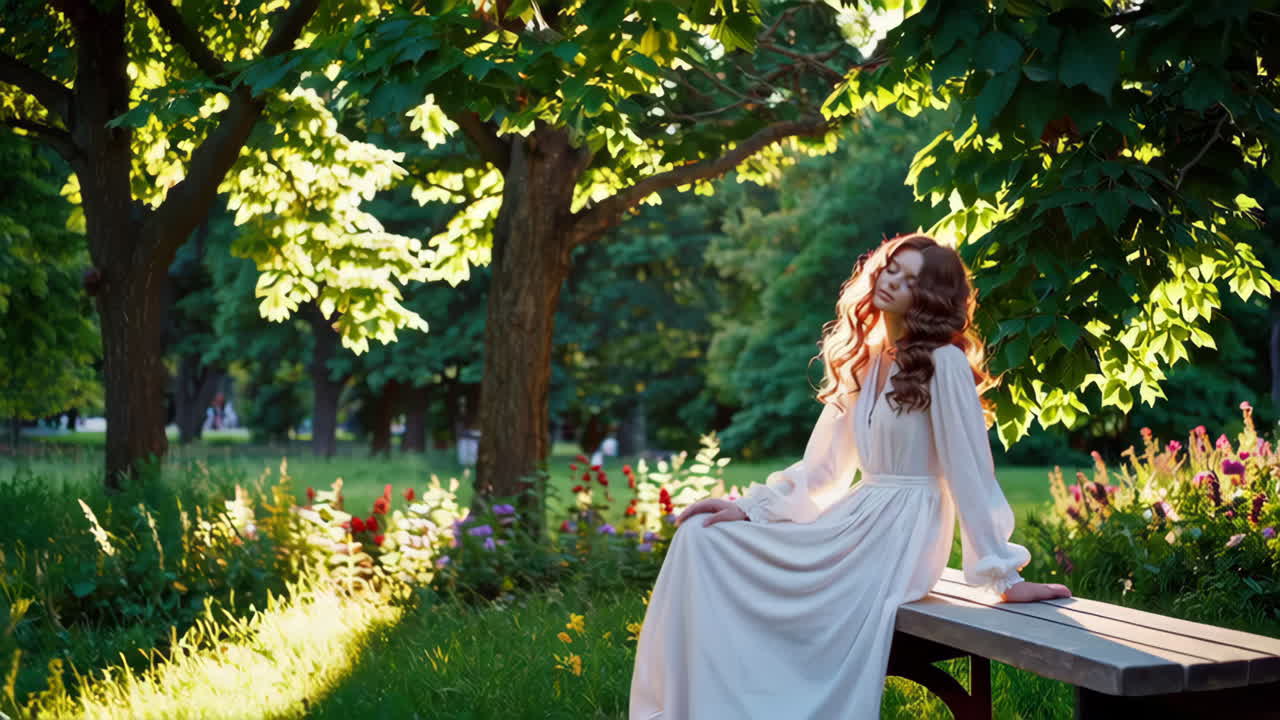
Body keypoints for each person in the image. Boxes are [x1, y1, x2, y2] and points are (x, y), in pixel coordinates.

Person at [628, 233, 1071, 719]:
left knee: (724, 552)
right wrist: (749, 509)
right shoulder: (866, 362)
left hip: (904, 534)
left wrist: (1001, 574)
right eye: (890, 268)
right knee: (701, 538)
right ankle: (698, 705)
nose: (892, 282)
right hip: (859, 517)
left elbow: (971, 474)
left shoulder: (943, 363)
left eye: (911, 279)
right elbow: (824, 471)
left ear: (929, 296)